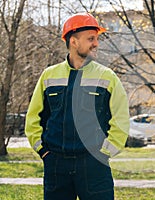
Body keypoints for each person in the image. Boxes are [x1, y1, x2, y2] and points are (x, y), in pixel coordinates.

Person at [25, 12, 130, 200]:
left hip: (94, 167)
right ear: (73, 41)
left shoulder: (107, 77)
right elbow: (34, 119)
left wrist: (104, 154)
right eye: (91, 39)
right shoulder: (49, 76)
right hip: (56, 165)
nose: (96, 43)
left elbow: (121, 121)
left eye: (96, 39)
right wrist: (44, 152)